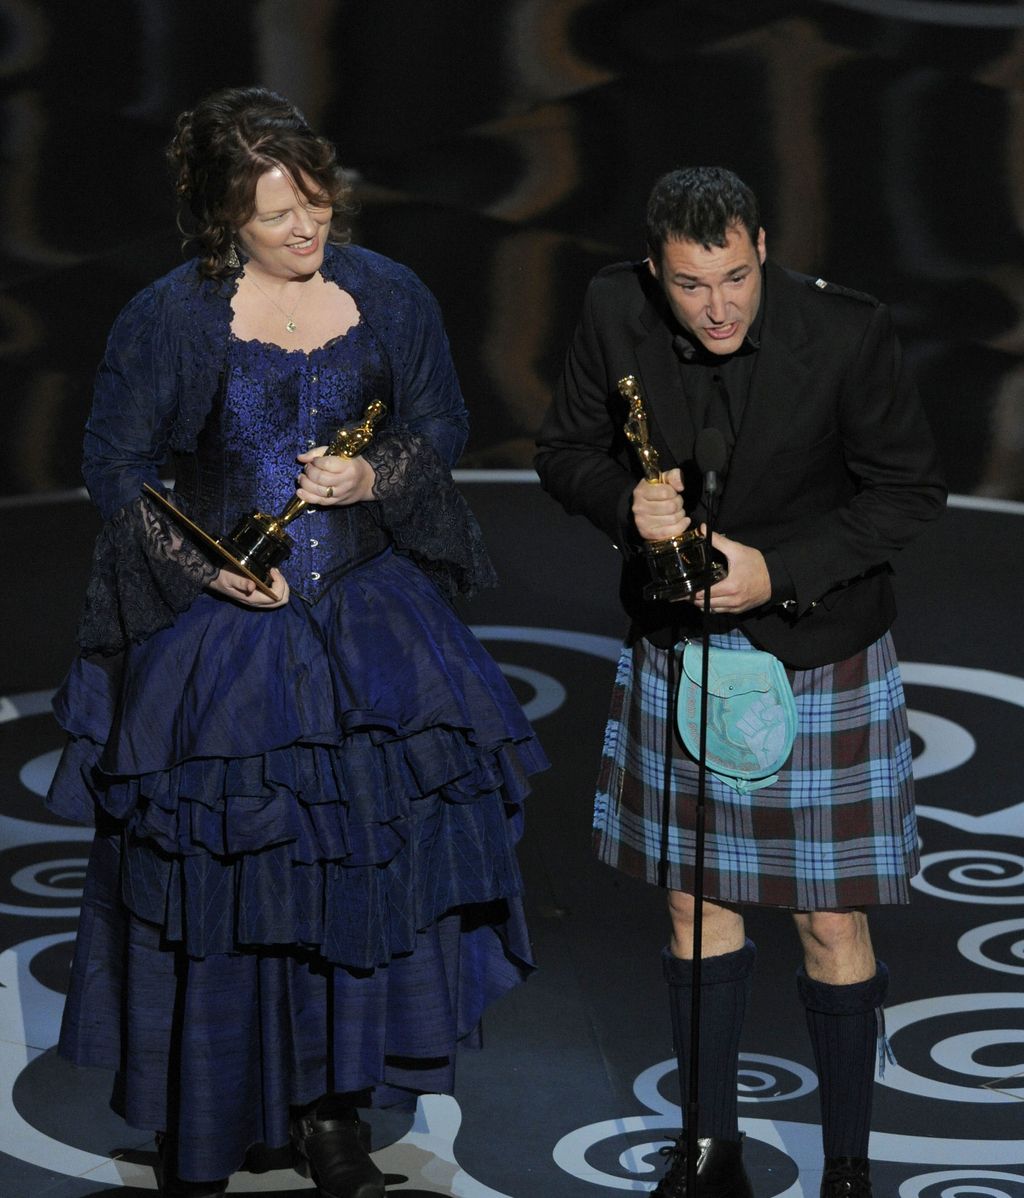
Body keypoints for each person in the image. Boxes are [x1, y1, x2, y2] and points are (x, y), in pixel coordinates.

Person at [47, 86, 546, 1198]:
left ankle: (331, 1118)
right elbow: (115, 467)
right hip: (231, 640)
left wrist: (376, 476)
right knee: (226, 884)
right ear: (224, 217)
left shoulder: (390, 296)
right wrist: (202, 563)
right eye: (276, 216)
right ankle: (205, 1127)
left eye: (314, 203)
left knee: (348, 878)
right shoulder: (171, 317)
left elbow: (441, 423)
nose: (304, 229)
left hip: (369, 627)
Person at [535, 167, 945, 1198]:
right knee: (693, 905)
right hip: (680, 647)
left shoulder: (846, 333)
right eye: (687, 284)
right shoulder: (608, 306)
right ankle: (708, 1152)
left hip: (817, 650)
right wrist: (625, 502)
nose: (714, 306)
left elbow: (906, 490)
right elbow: (563, 450)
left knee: (831, 918)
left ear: (760, 246)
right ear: (653, 270)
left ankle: (845, 1167)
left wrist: (779, 571)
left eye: (731, 277)